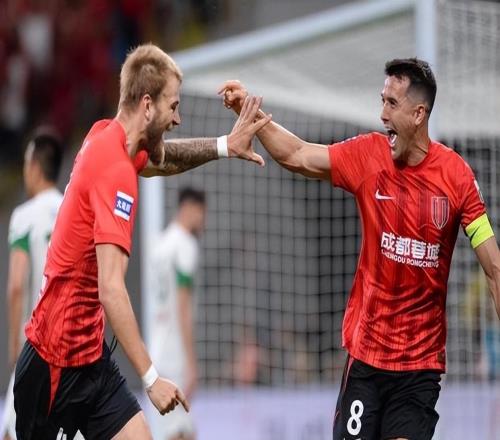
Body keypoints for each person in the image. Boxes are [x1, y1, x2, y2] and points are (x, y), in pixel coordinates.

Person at [219, 58, 500, 440]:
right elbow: (297, 154)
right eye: (382, 100)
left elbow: (493, 268)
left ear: (418, 114)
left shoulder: (457, 178)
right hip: (367, 359)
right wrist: (249, 113)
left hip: (419, 368)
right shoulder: (368, 155)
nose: (382, 113)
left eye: (392, 103)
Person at [13, 43, 271, 440]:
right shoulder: (115, 170)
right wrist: (151, 379)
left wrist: (225, 146)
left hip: (91, 357)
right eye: (173, 106)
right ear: (147, 105)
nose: (178, 119)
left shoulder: (106, 134)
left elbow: (161, 161)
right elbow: (111, 288)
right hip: (53, 368)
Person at [1, 130, 64, 440]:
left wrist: (15, 348)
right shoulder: (72, 210)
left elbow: (16, 285)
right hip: (70, 345)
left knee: (11, 431)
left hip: (35, 343)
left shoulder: (25, 216)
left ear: (35, 167)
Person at [147, 187, 206, 440]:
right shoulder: (185, 245)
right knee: (179, 432)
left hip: (157, 347)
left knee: (179, 429)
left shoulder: (160, 244)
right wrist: (191, 361)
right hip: (175, 353)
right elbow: (183, 306)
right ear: (189, 208)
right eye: (202, 213)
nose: (203, 220)